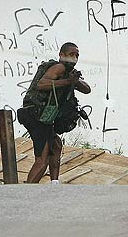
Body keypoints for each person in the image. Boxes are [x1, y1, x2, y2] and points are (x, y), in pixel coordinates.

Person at [21, 42, 91, 184]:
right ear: (61, 55)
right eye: (71, 54)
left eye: (77, 55)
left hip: (43, 117)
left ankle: (54, 184)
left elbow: (87, 89)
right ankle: (26, 193)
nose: (75, 57)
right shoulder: (59, 67)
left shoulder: (68, 73)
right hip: (36, 115)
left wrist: (74, 81)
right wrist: (67, 82)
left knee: (56, 145)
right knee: (42, 159)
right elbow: (42, 84)